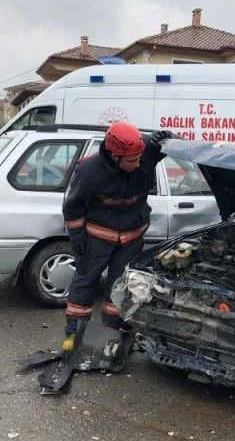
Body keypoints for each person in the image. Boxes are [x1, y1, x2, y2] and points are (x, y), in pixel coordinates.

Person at [61, 122, 174, 350]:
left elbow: (177, 145)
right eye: (131, 161)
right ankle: (74, 335)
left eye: (139, 159)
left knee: (120, 288)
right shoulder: (89, 172)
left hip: (130, 240)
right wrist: (78, 239)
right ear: (114, 156)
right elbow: (73, 208)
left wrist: (168, 136)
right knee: (84, 284)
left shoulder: (146, 153)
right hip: (97, 240)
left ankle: (112, 334)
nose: (138, 164)